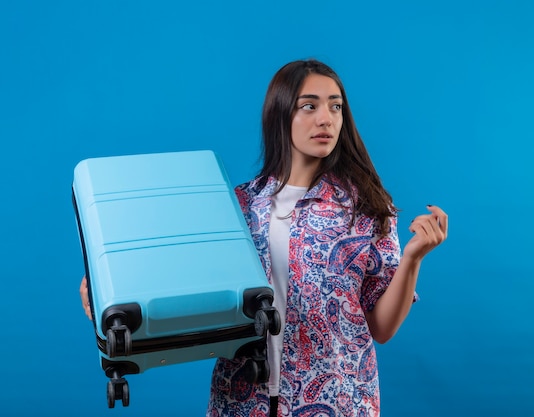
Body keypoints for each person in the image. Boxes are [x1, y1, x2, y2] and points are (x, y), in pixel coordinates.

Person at [80, 59, 448, 417]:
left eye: (336, 107)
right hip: (241, 397)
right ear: (280, 114)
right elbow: (179, 274)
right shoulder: (235, 205)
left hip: (337, 399)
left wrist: (413, 258)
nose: (326, 119)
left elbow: (381, 328)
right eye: (309, 106)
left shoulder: (366, 207)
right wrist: (106, 289)